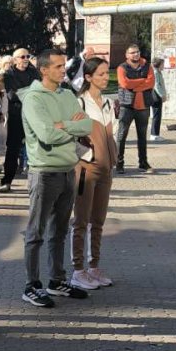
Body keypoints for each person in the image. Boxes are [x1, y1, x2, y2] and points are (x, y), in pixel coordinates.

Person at [19, 48, 93, 307]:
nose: (64, 70)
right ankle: (31, 285)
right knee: (35, 232)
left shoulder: (66, 94)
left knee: (60, 230)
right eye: (59, 66)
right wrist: (67, 127)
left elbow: (87, 125)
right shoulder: (33, 98)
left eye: (64, 65)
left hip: (67, 170)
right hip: (44, 172)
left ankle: (56, 280)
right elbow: (46, 136)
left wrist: (62, 125)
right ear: (44, 70)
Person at [71, 57, 119, 290]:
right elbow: (70, 137)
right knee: (81, 220)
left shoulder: (109, 102)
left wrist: (112, 158)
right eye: (100, 74)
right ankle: (78, 270)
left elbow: (113, 135)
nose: (105, 77)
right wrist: (87, 157)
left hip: (106, 169)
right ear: (88, 77)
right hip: (86, 171)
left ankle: (94, 266)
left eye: (106, 73)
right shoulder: (79, 103)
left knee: (98, 221)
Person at [0, 48, 39, 192]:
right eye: (22, 57)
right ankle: (7, 181)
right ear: (15, 59)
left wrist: (25, 93)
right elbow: (11, 95)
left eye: (28, 56)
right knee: (13, 150)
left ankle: (37, 182)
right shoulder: (9, 74)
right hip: (16, 116)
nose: (26, 59)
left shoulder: (33, 72)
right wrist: (30, 92)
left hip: (33, 115)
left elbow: (38, 89)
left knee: (35, 148)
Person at [115, 45, 155, 174]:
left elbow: (151, 82)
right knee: (121, 135)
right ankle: (119, 163)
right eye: (132, 53)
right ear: (127, 55)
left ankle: (143, 163)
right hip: (127, 106)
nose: (135, 54)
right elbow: (124, 84)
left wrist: (134, 86)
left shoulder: (148, 66)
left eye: (137, 52)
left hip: (143, 106)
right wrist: (142, 82)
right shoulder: (121, 68)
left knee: (142, 136)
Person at [149, 57, 166, 142]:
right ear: (159, 65)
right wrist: (162, 95)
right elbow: (156, 86)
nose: (164, 66)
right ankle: (154, 135)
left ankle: (156, 134)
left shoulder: (158, 72)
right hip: (156, 96)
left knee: (157, 115)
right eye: (163, 64)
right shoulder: (155, 73)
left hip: (157, 96)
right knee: (156, 116)